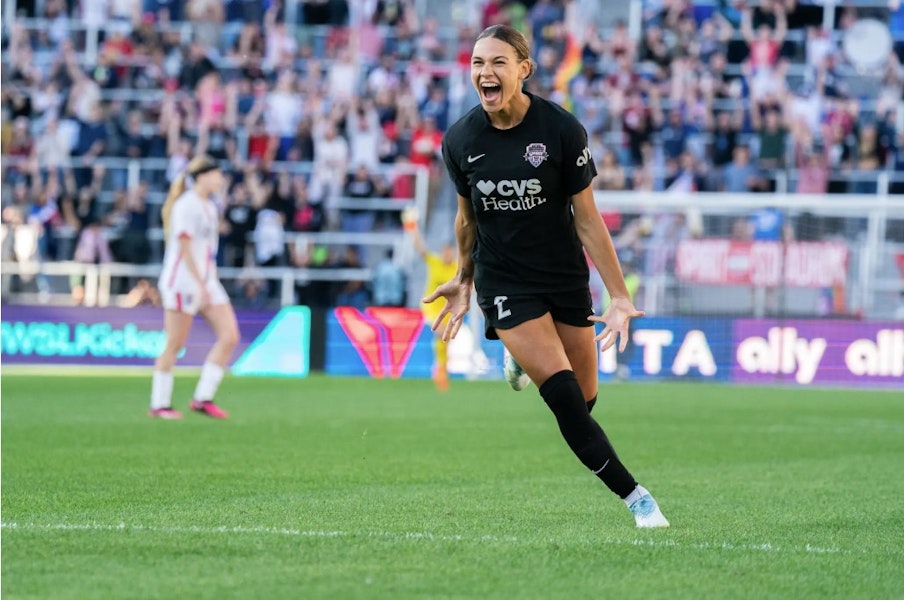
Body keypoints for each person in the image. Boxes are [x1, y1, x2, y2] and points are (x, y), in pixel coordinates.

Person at [424, 25, 668, 528]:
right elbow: (466, 220)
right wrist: (465, 280)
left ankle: (518, 359)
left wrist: (618, 295)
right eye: (476, 63)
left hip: (562, 275)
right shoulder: (461, 139)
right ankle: (638, 499)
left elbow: (587, 218)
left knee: (585, 400)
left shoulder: (560, 130)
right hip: (504, 280)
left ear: (523, 70)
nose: (484, 73)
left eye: (496, 62)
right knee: (565, 405)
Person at [149, 156, 239, 420]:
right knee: (175, 343)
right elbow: (185, 247)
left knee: (229, 335)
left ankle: (203, 397)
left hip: (206, 279)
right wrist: (200, 283)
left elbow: (206, 250)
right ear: (202, 176)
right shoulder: (185, 205)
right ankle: (159, 403)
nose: (221, 179)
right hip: (183, 281)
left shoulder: (210, 207)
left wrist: (209, 280)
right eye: (216, 174)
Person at [407, 218, 457, 392]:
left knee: (446, 339)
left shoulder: (457, 267)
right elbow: (421, 249)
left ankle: (442, 370)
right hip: (431, 306)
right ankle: (440, 370)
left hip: (448, 309)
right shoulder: (434, 262)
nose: (447, 255)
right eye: (445, 251)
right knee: (441, 332)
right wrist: (411, 227)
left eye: (450, 252)